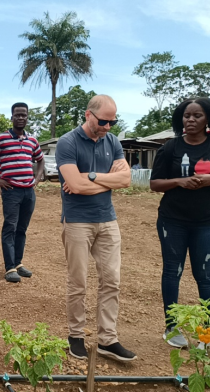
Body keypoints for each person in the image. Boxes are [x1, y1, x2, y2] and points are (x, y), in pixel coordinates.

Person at [150, 97, 210, 348]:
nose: (190, 120)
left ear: (208, 119)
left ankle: (208, 334)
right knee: (172, 272)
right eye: (186, 116)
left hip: (207, 222)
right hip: (172, 221)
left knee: (206, 276)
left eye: (196, 116)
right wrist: (179, 181)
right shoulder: (170, 148)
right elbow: (155, 184)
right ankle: (171, 327)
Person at [56, 95, 136, 363]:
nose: (108, 127)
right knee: (78, 282)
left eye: (113, 121)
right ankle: (76, 335)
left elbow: (126, 180)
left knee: (111, 280)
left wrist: (90, 176)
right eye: (103, 121)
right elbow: (74, 187)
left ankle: (107, 339)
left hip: (107, 220)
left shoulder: (112, 142)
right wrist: (107, 181)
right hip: (77, 221)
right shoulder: (67, 143)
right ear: (88, 115)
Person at [0, 103, 44, 283]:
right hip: (11, 191)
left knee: (22, 229)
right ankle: (9, 268)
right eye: (17, 115)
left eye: (24, 115)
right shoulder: (1, 139)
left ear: (27, 117)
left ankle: (18, 263)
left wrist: (37, 179)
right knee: (10, 226)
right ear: (12, 117)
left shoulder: (32, 140)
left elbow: (40, 160)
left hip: (28, 191)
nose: (21, 118)